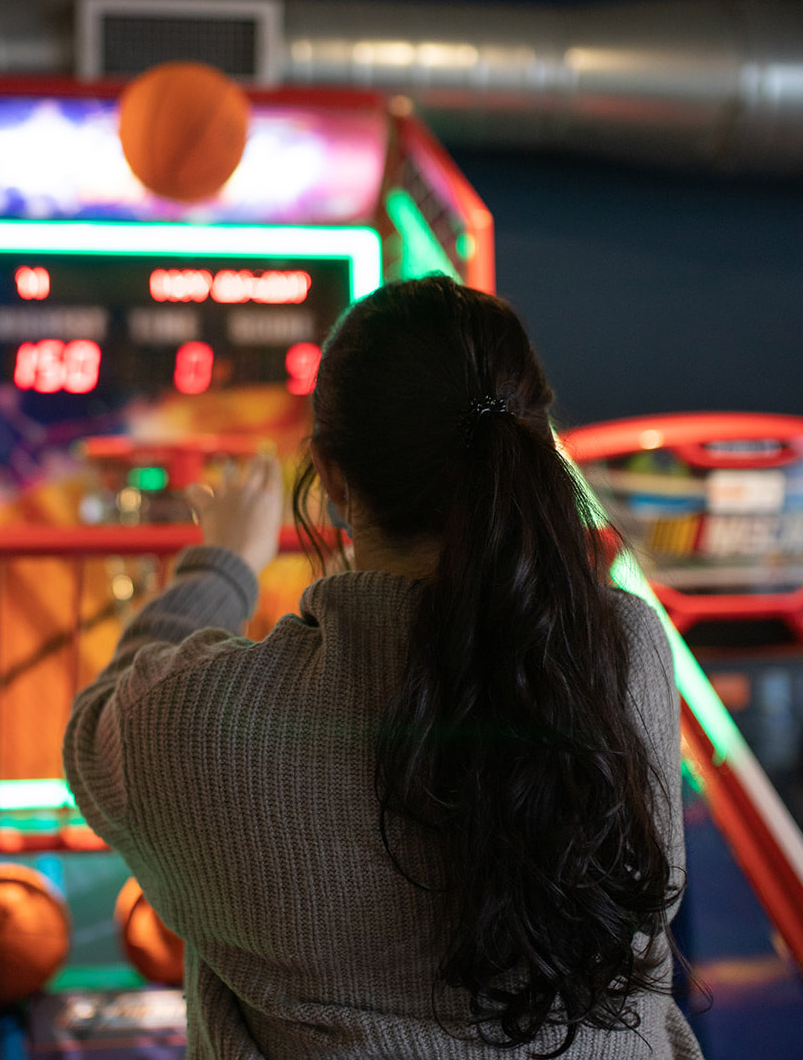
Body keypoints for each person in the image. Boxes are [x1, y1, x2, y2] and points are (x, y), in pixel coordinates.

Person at [64, 276, 704, 1058]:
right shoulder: (627, 650)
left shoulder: (199, 726)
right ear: (535, 446)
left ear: (332, 477)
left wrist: (222, 562)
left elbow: (101, 724)